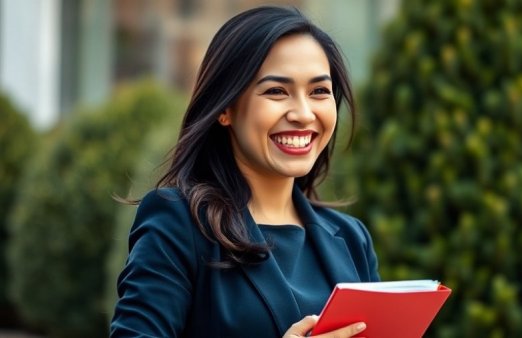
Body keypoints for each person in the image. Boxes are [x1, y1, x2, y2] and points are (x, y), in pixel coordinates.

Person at [110, 5, 380, 338]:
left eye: (319, 91)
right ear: (226, 109)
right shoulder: (178, 223)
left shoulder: (352, 239)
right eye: (276, 91)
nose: (303, 113)